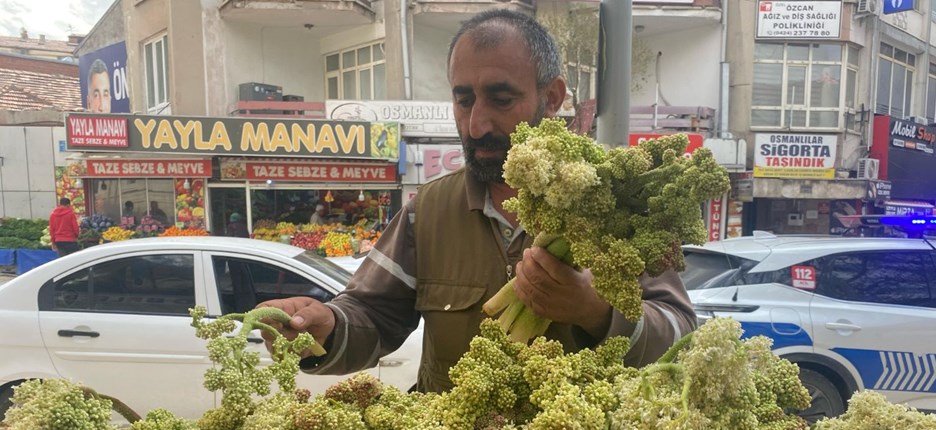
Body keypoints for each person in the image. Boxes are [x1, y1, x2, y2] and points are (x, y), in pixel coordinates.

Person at [259, 9, 696, 393]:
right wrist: (326, 328)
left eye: (501, 100)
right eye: (463, 99)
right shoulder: (428, 210)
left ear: (552, 98)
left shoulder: (618, 203)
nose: (476, 125)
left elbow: (681, 335)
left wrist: (597, 312)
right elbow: (372, 313)